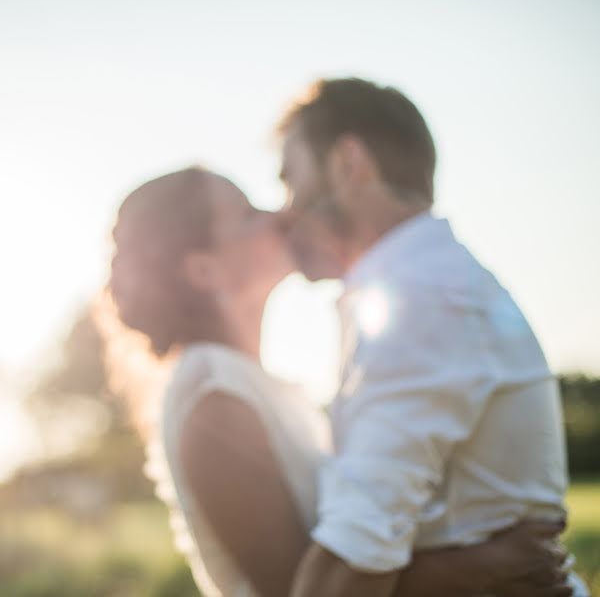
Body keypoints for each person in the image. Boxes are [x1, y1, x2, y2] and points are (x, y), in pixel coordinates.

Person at [109, 166, 575, 597]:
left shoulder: (255, 384)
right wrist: (484, 567)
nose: (280, 216)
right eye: (249, 214)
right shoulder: (212, 394)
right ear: (204, 270)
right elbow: (297, 587)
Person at [276, 77, 588, 597]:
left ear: (348, 163)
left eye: (290, 177)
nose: (284, 210)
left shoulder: (425, 299)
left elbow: (353, 559)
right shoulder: (422, 286)